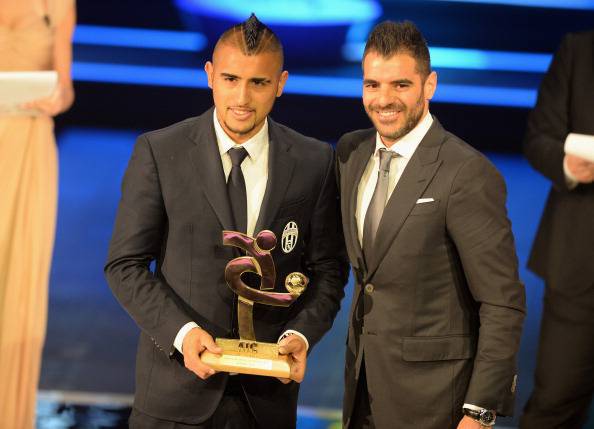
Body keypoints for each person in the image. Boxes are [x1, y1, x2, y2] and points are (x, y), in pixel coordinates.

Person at [104, 14, 348, 429]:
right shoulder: (161, 152)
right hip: (174, 396)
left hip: (267, 401)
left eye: (259, 83)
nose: (242, 97)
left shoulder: (314, 162)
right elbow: (125, 266)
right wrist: (182, 334)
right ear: (210, 75)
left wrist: (301, 336)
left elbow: (328, 270)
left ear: (281, 83)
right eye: (231, 79)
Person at [336, 21, 526, 429]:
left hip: (437, 403)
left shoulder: (466, 173)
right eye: (372, 85)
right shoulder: (350, 153)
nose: (384, 100)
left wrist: (479, 412)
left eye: (400, 85)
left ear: (430, 85)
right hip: (362, 391)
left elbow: (502, 302)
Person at [0, 0, 75, 427]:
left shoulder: (57, 4)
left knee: (16, 280)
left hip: (27, 146)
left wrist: (55, 96)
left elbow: (66, 89)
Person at [520, 30, 594, 429]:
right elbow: (539, 139)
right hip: (581, 264)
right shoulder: (579, 50)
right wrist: (569, 166)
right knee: (554, 406)